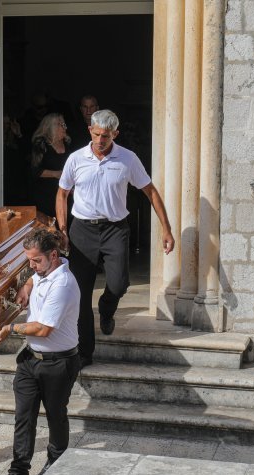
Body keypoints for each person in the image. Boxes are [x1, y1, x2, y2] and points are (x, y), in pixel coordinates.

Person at [56, 109, 175, 366]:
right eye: (97, 134)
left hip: (115, 229)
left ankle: (107, 309)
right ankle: (85, 352)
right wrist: (63, 229)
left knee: (120, 284)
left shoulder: (128, 159)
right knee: (81, 293)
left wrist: (166, 229)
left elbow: (150, 191)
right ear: (90, 130)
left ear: (115, 135)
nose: (101, 140)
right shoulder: (76, 159)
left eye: (106, 136)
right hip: (82, 230)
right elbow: (62, 193)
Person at [0, 228, 81, 475]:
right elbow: (34, 276)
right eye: (29, 260)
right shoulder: (44, 272)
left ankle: (56, 464)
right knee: (24, 418)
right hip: (30, 360)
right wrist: (27, 284)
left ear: (54, 256)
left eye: (35, 260)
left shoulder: (63, 284)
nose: (31, 265)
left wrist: (11, 328)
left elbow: (43, 329)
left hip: (59, 363)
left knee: (56, 416)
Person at [30, 113, 72, 218]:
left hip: (65, 194)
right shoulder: (41, 144)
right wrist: (56, 174)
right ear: (50, 127)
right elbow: (34, 170)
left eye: (64, 124)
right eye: (59, 124)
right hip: (45, 195)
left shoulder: (68, 143)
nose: (64, 127)